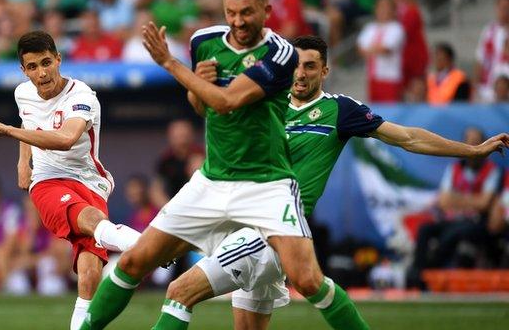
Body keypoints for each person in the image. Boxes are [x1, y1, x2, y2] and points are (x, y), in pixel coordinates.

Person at [166, 35, 509, 330]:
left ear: (325, 71)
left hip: (271, 230)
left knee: (179, 293)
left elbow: (408, 137)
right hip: (252, 225)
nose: (301, 73)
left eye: (311, 66)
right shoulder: (265, 105)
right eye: (296, 65)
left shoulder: (339, 111)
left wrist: (472, 150)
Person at [82, 0, 368, 329]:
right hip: (213, 180)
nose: (238, 21)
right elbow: (205, 106)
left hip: (267, 184)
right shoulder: (205, 41)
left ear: (266, 11)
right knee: (133, 260)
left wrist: (170, 63)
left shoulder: (281, 54)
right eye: (231, 12)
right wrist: (196, 86)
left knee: (307, 279)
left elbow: (228, 101)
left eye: (247, 12)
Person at [0, 30, 141, 330]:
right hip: (47, 180)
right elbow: (28, 118)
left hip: (90, 181)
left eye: (47, 62)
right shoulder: (22, 93)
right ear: (24, 71)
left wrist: (7, 130)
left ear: (59, 60)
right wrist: (23, 161)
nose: (42, 73)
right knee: (90, 220)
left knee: (88, 276)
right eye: (32, 67)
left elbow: (65, 139)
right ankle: (147, 246)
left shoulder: (82, 96)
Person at [409, 128, 502, 285]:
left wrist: (457, 199)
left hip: (476, 223)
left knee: (454, 233)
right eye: (468, 143)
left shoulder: (492, 171)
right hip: (452, 220)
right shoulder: (454, 169)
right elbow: (444, 202)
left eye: (476, 143)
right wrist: (472, 201)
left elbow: (484, 204)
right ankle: (416, 272)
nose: (472, 147)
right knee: (425, 229)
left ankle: (428, 273)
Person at [357, 0, 405, 103]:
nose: (383, 10)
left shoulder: (396, 28)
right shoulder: (370, 28)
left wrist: (370, 48)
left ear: (393, 10)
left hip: (389, 78)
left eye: (386, 7)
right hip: (373, 78)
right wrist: (377, 48)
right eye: (380, 7)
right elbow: (360, 49)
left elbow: (386, 49)